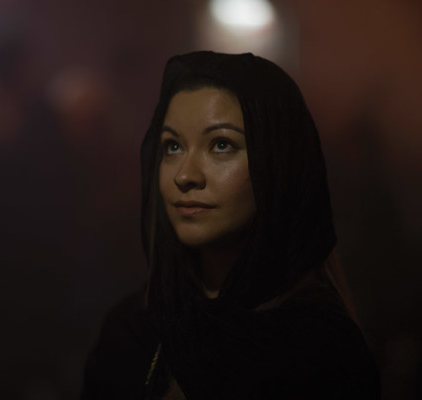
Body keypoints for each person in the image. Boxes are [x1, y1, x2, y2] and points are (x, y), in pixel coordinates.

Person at [80, 51, 381, 399]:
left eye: (221, 145)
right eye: (172, 146)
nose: (185, 175)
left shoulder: (322, 356)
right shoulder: (132, 333)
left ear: (277, 164)